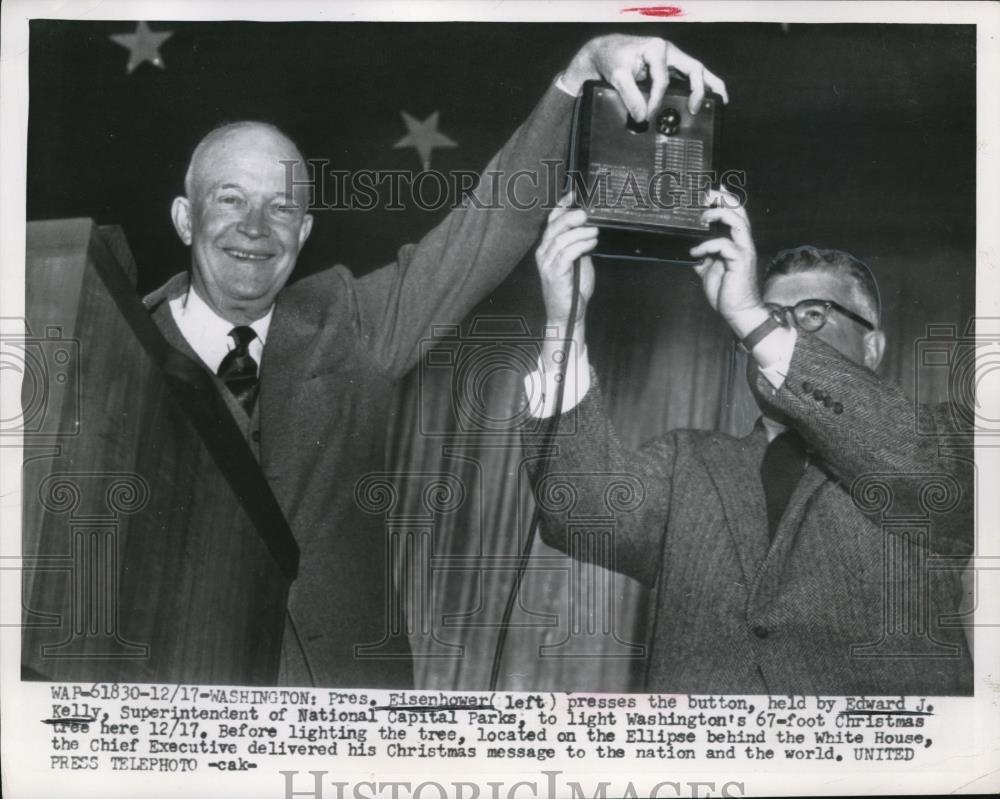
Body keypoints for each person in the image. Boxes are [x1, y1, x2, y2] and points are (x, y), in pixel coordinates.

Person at [140, 35, 727, 688]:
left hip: (353, 720)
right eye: (229, 198)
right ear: (184, 218)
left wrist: (579, 72)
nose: (256, 226)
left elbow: (486, 226)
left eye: (281, 207)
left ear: (303, 233)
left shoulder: (348, 321)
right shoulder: (122, 347)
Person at [525, 188, 973, 695]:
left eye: (811, 315)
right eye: (772, 314)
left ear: (872, 347)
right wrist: (566, 322)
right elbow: (579, 513)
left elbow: (914, 461)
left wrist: (750, 313)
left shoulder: (942, 441)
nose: (777, 329)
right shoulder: (687, 462)